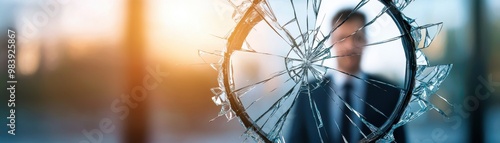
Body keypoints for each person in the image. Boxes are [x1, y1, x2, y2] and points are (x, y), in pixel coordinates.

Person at [287, 9, 407, 143]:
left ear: (366, 41)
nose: (350, 46)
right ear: (331, 41)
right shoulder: (309, 92)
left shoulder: (389, 93)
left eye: (357, 38)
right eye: (342, 38)